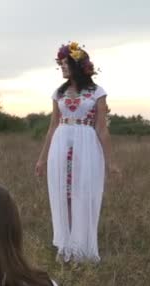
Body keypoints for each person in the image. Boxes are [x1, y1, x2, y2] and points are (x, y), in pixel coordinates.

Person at [35, 42, 120, 263]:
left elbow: (102, 128)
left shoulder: (96, 92)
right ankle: (66, 248)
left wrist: (111, 162)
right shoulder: (58, 93)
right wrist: (42, 158)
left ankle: (83, 250)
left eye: (66, 63)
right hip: (60, 146)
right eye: (60, 64)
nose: (62, 67)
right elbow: (52, 126)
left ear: (79, 65)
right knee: (64, 195)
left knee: (83, 193)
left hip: (87, 145)